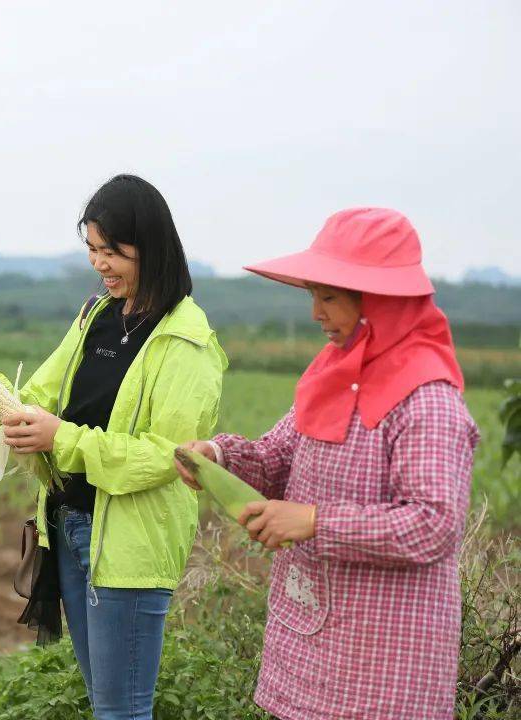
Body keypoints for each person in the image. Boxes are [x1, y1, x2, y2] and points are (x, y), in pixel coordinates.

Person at [175, 207, 478, 720]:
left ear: (380, 302)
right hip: (312, 638)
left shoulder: (428, 400)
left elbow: (435, 524)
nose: (316, 312)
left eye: (329, 297)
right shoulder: (334, 375)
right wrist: (219, 456)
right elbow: (276, 456)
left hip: (387, 660)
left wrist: (315, 520)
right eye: (313, 294)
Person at [0, 174, 227, 720]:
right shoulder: (97, 318)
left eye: (113, 251)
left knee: (122, 708)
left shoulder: (187, 341)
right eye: (92, 249)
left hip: (130, 546)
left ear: (150, 248)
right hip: (71, 525)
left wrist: (64, 439)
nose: (100, 263)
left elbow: (168, 454)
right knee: (105, 702)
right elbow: (39, 395)